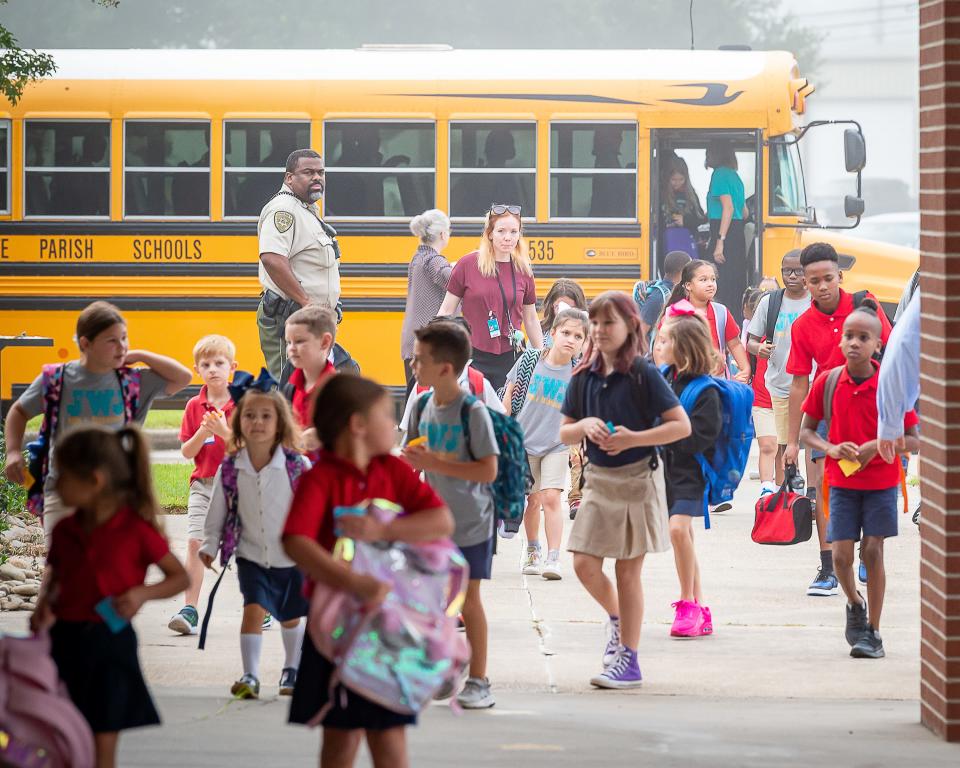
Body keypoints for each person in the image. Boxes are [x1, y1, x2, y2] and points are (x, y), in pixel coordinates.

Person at [283, 375, 453, 768]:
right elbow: (296, 541)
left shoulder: (392, 472)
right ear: (358, 425)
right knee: (340, 741)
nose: (394, 426)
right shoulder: (320, 477)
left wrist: (386, 529)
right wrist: (352, 582)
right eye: (386, 416)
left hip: (387, 628)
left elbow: (440, 520)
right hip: (336, 632)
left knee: (390, 739)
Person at [30, 426, 189, 768]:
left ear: (95, 480)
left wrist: (142, 594)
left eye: (63, 476)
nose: (55, 485)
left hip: (110, 644)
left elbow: (179, 577)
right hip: (63, 642)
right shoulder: (64, 530)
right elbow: (56, 576)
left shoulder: (136, 530)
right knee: (61, 734)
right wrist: (43, 606)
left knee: (103, 740)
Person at [559, 291, 691, 688]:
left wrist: (634, 438)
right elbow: (564, 431)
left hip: (638, 479)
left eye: (608, 323)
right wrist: (583, 427)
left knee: (627, 569)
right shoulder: (582, 376)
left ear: (631, 326)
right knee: (583, 562)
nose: (599, 331)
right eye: (594, 324)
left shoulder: (644, 374)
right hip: (598, 482)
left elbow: (680, 426)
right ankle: (618, 623)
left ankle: (629, 661)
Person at [2, 301, 192, 541]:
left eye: (124, 338)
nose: (121, 346)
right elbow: (19, 412)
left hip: (115, 494)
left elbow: (183, 377)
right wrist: (12, 452)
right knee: (66, 564)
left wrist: (140, 355)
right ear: (85, 343)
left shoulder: (132, 381)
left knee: (106, 566)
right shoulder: (57, 379)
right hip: (62, 493)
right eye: (111, 340)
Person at [799, 300, 919, 659]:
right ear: (840, 343)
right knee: (840, 556)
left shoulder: (890, 383)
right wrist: (830, 448)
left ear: (878, 345)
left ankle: (874, 633)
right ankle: (854, 602)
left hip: (881, 482)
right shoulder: (828, 381)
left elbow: (914, 437)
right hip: (842, 484)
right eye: (849, 336)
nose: (854, 342)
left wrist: (877, 445)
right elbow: (806, 432)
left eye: (863, 337)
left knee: (873, 550)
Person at [783, 242, 892, 597]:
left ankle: (867, 555)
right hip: (826, 410)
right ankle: (828, 566)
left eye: (828, 278)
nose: (822, 286)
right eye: (814, 281)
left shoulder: (865, 307)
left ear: (839, 276)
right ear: (806, 283)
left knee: (871, 486)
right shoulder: (802, 326)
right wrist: (793, 440)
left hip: (871, 410)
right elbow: (799, 382)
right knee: (822, 491)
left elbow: (891, 357)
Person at [403, 321, 500, 709]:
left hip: (473, 522)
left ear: (445, 368)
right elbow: (411, 458)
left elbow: (488, 471)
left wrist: (436, 461)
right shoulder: (422, 404)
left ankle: (479, 680)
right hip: (434, 523)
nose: (412, 365)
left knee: (468, 601)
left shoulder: (472, 411)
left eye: (419, 360)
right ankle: (446, 667)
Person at [199, 383, 310, 700]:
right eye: (250, 415)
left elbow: (314, 508)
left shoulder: (297, 466)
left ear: (280, 424)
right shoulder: (231, 467)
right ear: (238, 422)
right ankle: (250, 674)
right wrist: (209, 544)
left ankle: (292, 669)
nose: (257, 422)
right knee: (253, 609)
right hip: (250, 555)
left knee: (290, 615)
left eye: (266, 416)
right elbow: (216, 510)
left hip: (290, 557)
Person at [503, 308, 588, 580]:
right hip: (524, 443)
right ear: (552, 334)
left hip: (556, 445)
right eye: (565, 333)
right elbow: (509, 395)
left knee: (552, 498)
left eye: (578, 336)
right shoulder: (530, 361)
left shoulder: (579, 373)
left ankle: (553, 557)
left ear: (584, 343)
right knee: (533, 500)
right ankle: (533, 549)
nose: (570, 340)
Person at [654, 303, 722, 638]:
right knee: (685, 537)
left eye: (665, 341)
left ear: (682, 349)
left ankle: (686, 604)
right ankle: (701, 606)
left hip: (691, 472)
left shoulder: (706, 390)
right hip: (665, 470)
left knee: (679, 531)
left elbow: (702, 437)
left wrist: (664, 434)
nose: (659, 346)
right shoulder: (664, 378)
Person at [168, 334, 238, 636]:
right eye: (206, 364)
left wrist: (222, 430)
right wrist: (202, 431)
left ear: (232, 367)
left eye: (219, 363)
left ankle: (258, 605)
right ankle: (190, 608)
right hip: (203, 485)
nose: (213, 369)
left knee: (244, 549)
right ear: (197, 369)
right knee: (195, 543)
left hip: (237, 486)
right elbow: (187, 451)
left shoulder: (243, 402)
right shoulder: (194, 406)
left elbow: (246, 447)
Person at [257, 148, 342, 382]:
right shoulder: (284, 210)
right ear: (289, 178)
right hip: (290, 317)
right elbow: (272, 258)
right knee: (288, 389)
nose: (317, 177)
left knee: (336, 378)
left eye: (321, 172)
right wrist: (306, 302)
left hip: (313, 320)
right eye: (308, 172)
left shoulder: (305, 210)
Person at [437, 204, 544, 390]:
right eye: (501, 231)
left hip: (512, 357)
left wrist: (542, 357)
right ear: (490, 233)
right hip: (473, 355)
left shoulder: (524, 270)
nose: (508, 237)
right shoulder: (467, 264)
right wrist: (436, 346)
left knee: (507, 415)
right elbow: (446, 310)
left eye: (513, 231)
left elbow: (531, 318)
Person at [747, 252, 812, 488]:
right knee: (784, 444)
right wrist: (759, 348)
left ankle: (812, 493)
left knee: (811, 443)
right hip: (780, 384)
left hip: (813, 382)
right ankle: (786, 493)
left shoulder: (816, 301)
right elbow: (750, 341)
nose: (792, 276)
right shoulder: (770, 302)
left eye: (798, 271)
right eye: (787, 271)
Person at [398, 315, 504, 436]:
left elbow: (499, 428)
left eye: (421, 360)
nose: (411, 364)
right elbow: (410, 438)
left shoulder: (478, 386)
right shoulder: (420, 395)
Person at [538, 278, 589, 518]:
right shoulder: (542, 331)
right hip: (545, 406)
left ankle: (576, 497)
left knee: (576, 453)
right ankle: (539, 494)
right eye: (559, 307)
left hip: (573, 404)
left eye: (569, 307)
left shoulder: (584, 333)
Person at [658, 260, 751, 383]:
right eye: (703, 280)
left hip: (717, 382)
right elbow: (659, 348)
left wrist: (745, 369)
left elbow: (735, 344)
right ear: (688, 285)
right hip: (683, 382)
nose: (710, 284)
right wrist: (664, 377)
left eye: (713, 279)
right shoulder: (673, 313)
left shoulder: (721, 312)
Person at [400, 209, 453, 389]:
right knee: (426, 398)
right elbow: (451, 280)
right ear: (442, 234)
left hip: (412, 339)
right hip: (427, 342)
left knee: (414, 397)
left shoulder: (418, 258)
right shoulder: (433, 260)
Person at [704, 139, 749, 321]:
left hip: (725, 234)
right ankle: (734, 322)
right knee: (734, 282)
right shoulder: (734, 176)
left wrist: (719, 241)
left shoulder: (720, 174)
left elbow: (728, 207)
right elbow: (744, 212)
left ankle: (717, 321)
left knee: (713, 278)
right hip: (737, 233)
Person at [741, 286, 777, 493]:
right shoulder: (755, 341)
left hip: (785, 397)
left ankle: (784, 488)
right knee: (767, 445)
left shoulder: (788, 333)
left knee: (782, 448)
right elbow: (748, 365)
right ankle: (766, 488)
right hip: (762, 398)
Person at [639, 250, 692, 346]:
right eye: (690, 270)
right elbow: (641, 332)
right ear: (682, 271)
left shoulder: (681, 292)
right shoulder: (659, 296)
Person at [660, 159, 706, 263]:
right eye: (673, 179)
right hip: (668, 241)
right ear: (667, 178)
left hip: (688, 240)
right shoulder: (661, 195)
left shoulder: (691, 195)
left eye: (681, 179)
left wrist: (685, 221)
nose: (677, 183)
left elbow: (701, 218)